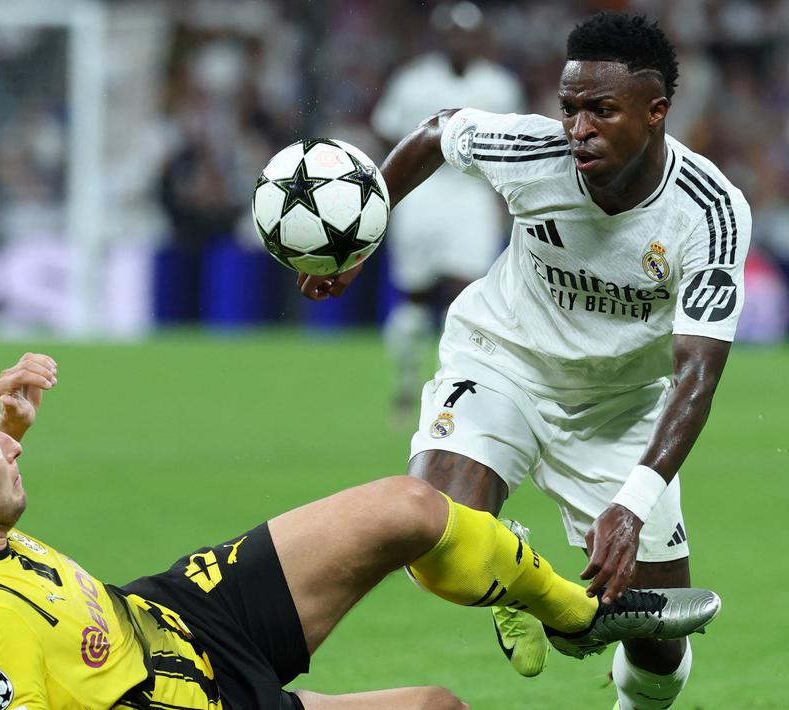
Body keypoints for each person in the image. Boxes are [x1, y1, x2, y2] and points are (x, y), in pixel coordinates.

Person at [298, 11, 751, 709]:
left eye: (601, 110)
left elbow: (697, 374)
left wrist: (630, 505)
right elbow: (435, 130)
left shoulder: (708, 211)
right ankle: (529, 583)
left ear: (655, 112)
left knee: (659, 647)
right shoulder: (530, 150)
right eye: (568, 109)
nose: (577, 129)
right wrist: (362, 235)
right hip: (500, 362)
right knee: (433, 534)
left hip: (617, 409)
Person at [0, 352, 719, 709]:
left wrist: (12, 428)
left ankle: (574, 611)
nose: (9, 444)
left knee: (406, 508)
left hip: (172, 616)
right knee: (437, 709)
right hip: (192, 698)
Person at [370, 1, 525, 424]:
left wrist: (503, 204)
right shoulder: (413, 80)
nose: (460, 40)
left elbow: (509, 151)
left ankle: (452, 387)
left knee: (466, 295)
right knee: (414, 296)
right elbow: (387, 132)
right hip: (421, 194)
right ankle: (404, 385)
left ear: (478, 38)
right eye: (453, 32)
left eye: (467, 33)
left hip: (470, 197)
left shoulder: (498, 85)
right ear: (442, 36)